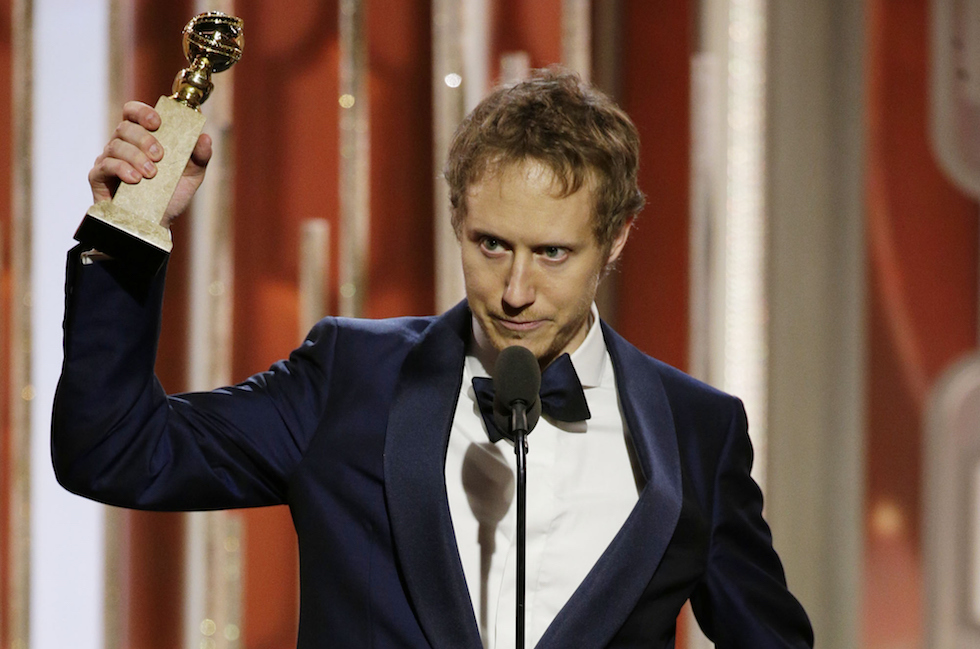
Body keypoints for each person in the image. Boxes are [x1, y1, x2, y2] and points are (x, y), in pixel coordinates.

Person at [53, 69, 813, 648]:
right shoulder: (349, 379)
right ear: (457, 217)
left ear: (614, 240)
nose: (516, 291)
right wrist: (127, 231)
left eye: (552, 252)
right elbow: (114, 452)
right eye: (492, 245)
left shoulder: (697, 431)